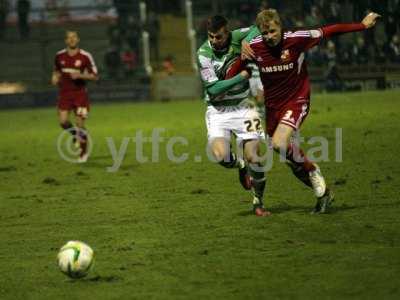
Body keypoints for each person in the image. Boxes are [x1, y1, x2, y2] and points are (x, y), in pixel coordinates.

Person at [241, 9, 380, 213]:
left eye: (273, 31)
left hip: (297, 100)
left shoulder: (297, 38)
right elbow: (231, 49)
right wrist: (241, 45)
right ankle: (322, 193)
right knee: (289, 157)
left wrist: (362, 25)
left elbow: (330, 30)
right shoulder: (254, 46)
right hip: (272, 107)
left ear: (280, 26)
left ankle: (313, 170)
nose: (269, 37)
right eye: (265, 33)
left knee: (280, 144)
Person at [197, 15, 269, 217]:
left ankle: (258, 202)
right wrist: (241, 76)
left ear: (227, 32)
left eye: (218, 37)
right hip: (218, 110)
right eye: (211, 36)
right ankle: (240, 164)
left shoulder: (238, 37)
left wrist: (248, 40)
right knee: (219, 155)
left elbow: (258, 27)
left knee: (254, 156)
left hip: (244, 106)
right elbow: (213, 89)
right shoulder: (203, 53)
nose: (214, 40)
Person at [52, 31, 99, 163]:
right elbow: (56, 70)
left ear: (78, 40)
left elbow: (95, 76)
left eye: (74, 37)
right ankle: (74, 135)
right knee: (63, 122)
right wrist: (54, 78)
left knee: (79, 124)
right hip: (64, 94)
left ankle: (83, 152)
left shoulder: (85, 56)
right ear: (65, 40)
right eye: (69, 38)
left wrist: (80, 76)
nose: (72, 40)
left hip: (80, 95)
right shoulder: (59, 55)